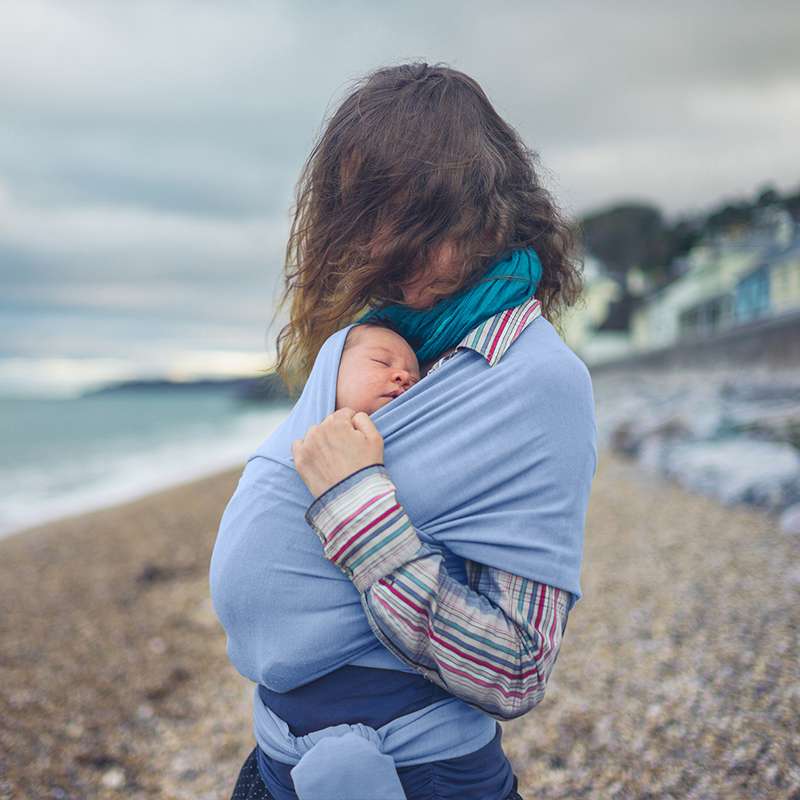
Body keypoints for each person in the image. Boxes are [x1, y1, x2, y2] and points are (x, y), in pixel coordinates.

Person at [214, 61, 597, 800]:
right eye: (365, 216)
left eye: (414, 217)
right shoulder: (378, 342)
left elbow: (516, 668)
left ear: (492, 211)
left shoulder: (537, 382)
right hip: (274, 765)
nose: (381, 247)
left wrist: (356, 505)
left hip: (418, 776)